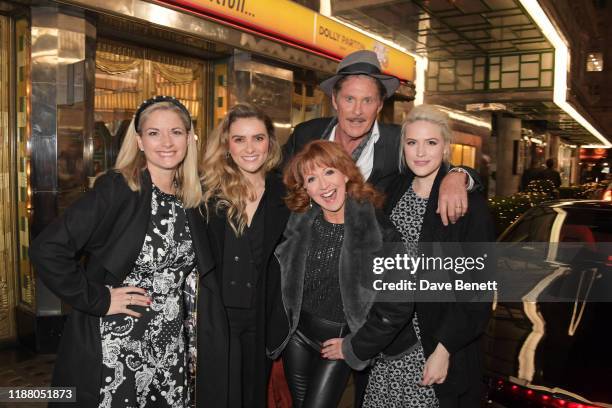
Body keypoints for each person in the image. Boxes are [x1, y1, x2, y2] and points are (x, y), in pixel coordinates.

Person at [29, 96, 214, 407]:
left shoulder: (192, 197)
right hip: (117, 343)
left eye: (176, 132)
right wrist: (98, 299)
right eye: (154, 133)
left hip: (170, 345)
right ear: (139, 141)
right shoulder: (119, 188)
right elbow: (47, 249)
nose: (166, 142)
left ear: (190, 138)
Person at [362, 105, 494, 407]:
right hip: (387, 341)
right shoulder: (391, 191)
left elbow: (477, 288)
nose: (420, 152)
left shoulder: (468, 206)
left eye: (431, 143)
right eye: (412, 143)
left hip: (434, 346)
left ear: (446, 147)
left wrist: (443, 350)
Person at [271, 140, 416, 408]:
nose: (323, 186)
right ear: (305, 188)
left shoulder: (378, 228)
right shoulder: (297, 223)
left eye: (329, 172)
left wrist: (354, 346)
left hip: (339, 340)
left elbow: (400, 301)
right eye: (312, 178)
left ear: (346, 173)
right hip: (297, 336)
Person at [283, 49, 477, 226]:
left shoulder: (395, 141)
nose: (357, 111)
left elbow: (433, 161)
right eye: (349, 99)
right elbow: (276, 180)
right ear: (335, 100)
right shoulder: (306, 134)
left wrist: (458, 176)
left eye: (368, 100)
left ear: (379, 105)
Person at [197, 104, 290, 407]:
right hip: (215, 317)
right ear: (227, 144)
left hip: (261, 318)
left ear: (270, 143)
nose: (250, 148)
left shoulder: (286, 194)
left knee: (252, 397)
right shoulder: (207, 192)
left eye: (258, 138)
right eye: (239, 139)